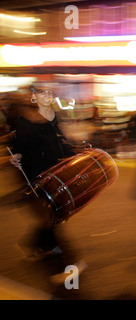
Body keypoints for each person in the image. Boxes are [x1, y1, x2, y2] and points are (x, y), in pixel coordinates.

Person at [9, 84, 86, 281]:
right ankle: (68, 266)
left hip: (55, 173)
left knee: (54, 216)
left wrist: (76, 151)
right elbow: (20, 148)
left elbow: (58, 144)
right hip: (37, 175)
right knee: (53, 217)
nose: (47, 95)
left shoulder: (54, 116)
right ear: (34, 96)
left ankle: (36, 244)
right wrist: (15, 157)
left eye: (50, 92)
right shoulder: (26, 120)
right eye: (42, 92)